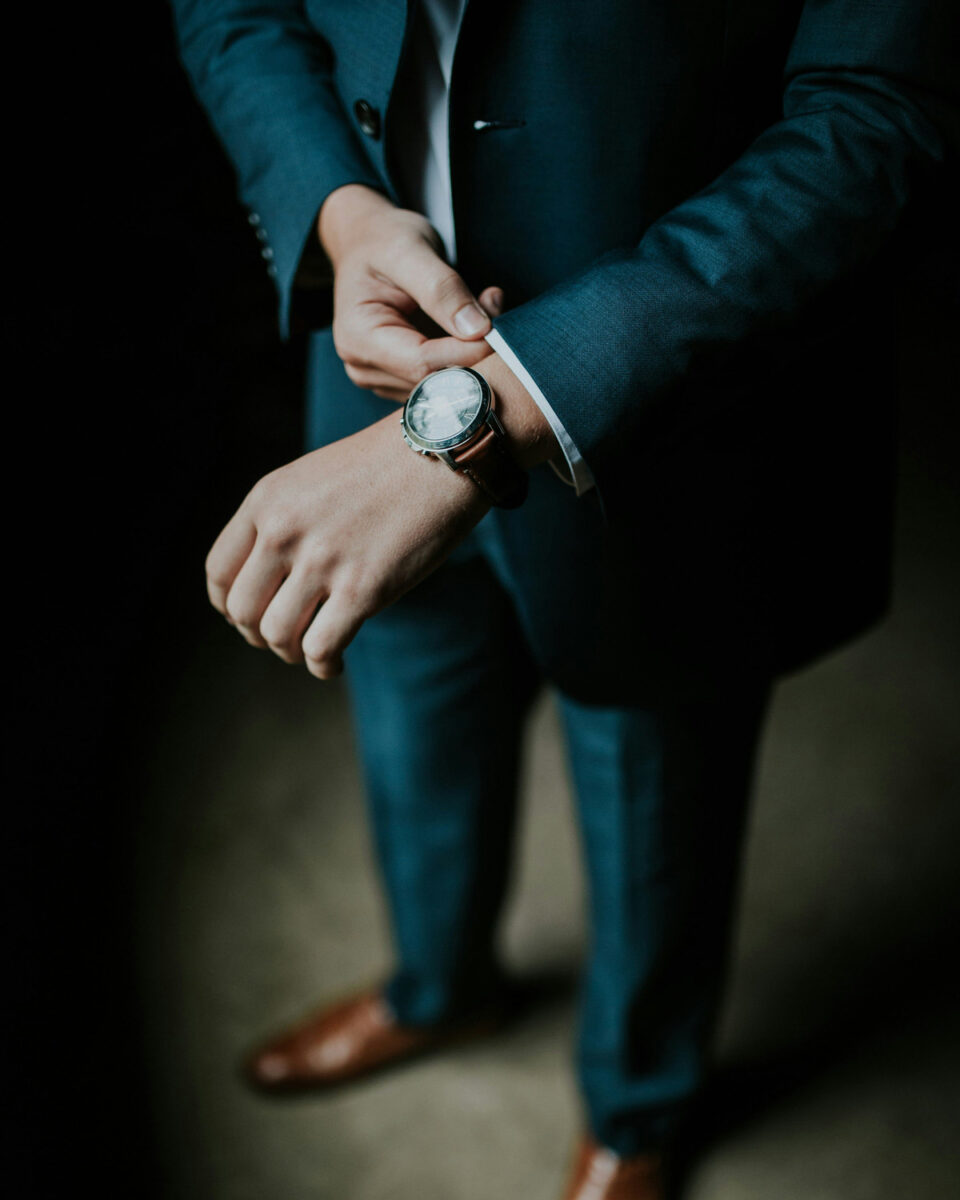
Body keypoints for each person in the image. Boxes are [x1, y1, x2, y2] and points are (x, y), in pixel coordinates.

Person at [171, 1, 957, 1196]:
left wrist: (491, 417)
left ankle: (638, 1113)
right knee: (410, 721)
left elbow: (880, 108)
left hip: (672, 420)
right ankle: (440, 992)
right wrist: (337, 204)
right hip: (367, 365)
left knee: (655, 787)